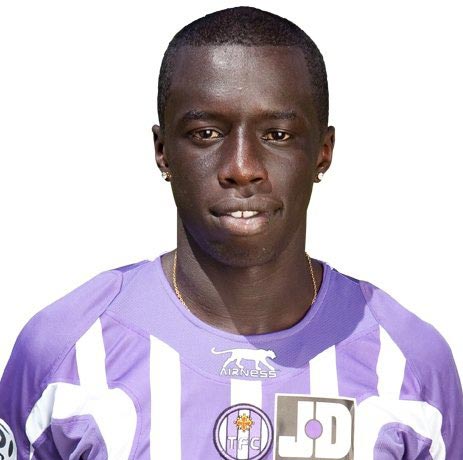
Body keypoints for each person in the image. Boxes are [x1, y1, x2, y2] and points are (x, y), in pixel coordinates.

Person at [1, 5, 462, 460]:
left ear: (322, 152)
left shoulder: (410, 364)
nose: (242, 167)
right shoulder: (64, 350)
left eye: (277, 135)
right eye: (206, 133)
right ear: (163, 151)